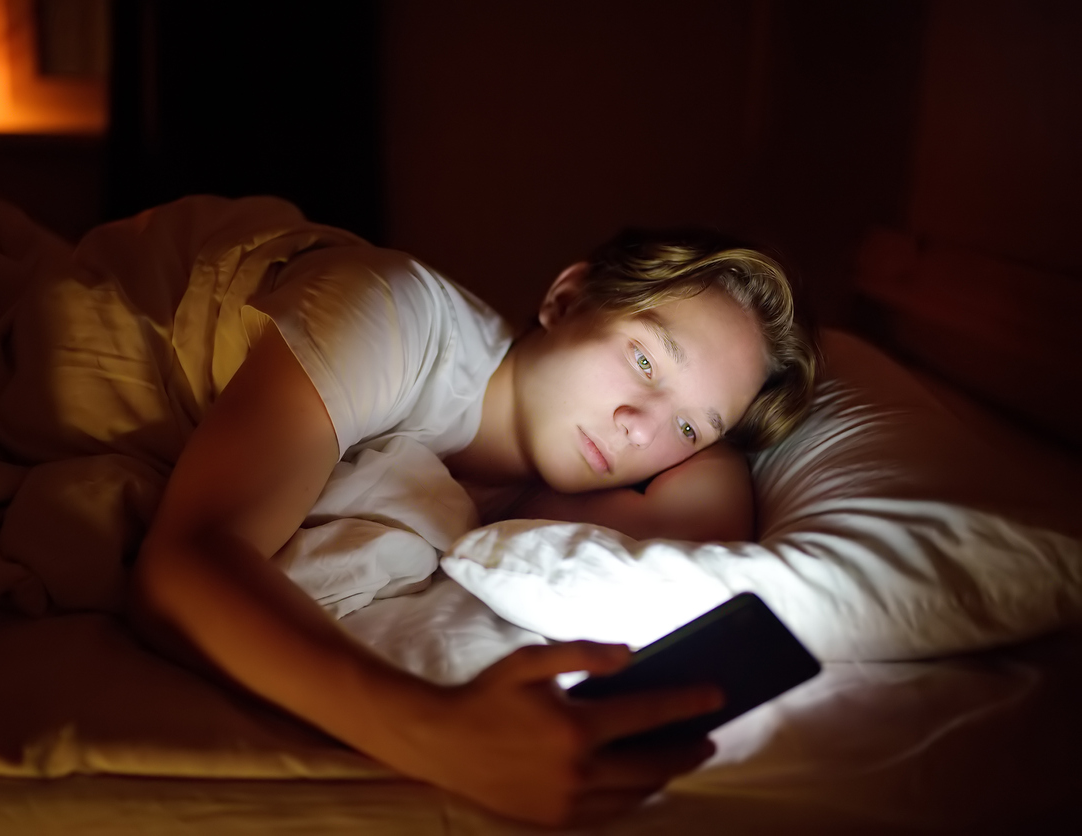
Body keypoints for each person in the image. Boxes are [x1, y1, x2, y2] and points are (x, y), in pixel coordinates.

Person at [130, 224, 817, 827]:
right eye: (644, 361)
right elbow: (181, 563)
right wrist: (436, 732)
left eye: (690, 426)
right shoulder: (395, 313)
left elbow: (702, 531)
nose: (640, 428)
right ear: (566, 300)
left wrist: (716, 451)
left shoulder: (536, 503)